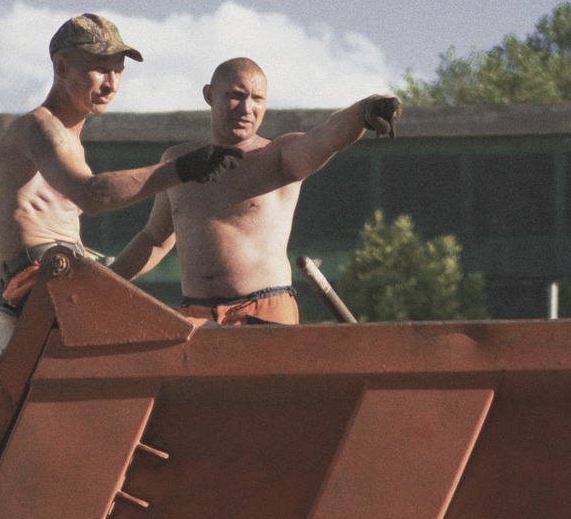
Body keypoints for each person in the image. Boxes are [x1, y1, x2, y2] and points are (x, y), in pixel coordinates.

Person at [0, 13, 247, 310]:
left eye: (118, 71)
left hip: (64, 280)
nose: (111, 84)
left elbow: (149, 240)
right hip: (43, 288)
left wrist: (186, 205)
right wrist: (184, 169)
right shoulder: (39, 128)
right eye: (100, 69)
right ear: (61, 67)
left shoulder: (69, 141)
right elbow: (92, 195)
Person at [116, 60, 400, 324]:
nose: (246, 107)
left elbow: (326, 137)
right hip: (196, 317)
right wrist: (100, 281)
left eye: (258, 98)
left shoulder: (279, 157)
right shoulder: (178, 161)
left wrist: (363, 111)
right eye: (237, 95)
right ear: (209, 95)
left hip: (264, 312)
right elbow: (154, 239)